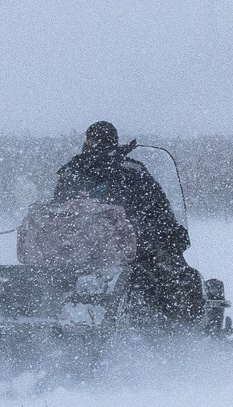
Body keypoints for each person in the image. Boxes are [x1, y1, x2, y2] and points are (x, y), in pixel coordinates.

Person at [53, 121, 205, 323]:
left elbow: (59, 212)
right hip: (129, 247)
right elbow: (159, 210)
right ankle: (182, 327)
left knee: (171, 275)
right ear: (113, 142)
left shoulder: (73, 171)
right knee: (176, 280)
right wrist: (170, 233)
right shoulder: (131, 171)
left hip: (78, 248)